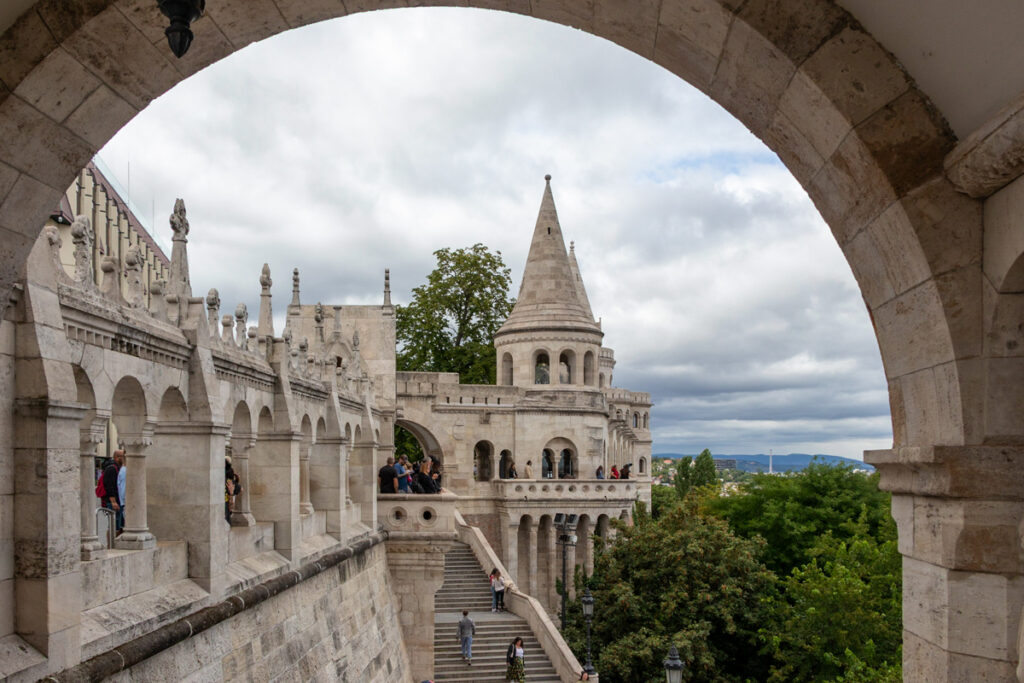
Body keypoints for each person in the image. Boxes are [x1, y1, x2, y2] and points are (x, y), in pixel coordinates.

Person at [101, 451, 123, 532]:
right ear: (117, 457)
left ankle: (116, 543)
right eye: (123, 456)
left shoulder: (118, 467)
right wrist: (113, 501)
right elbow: (110, 486)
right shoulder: (112, 468)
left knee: (119, 526)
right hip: (113, 501)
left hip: (118, 501)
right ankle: (111, 544)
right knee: (114, 526)